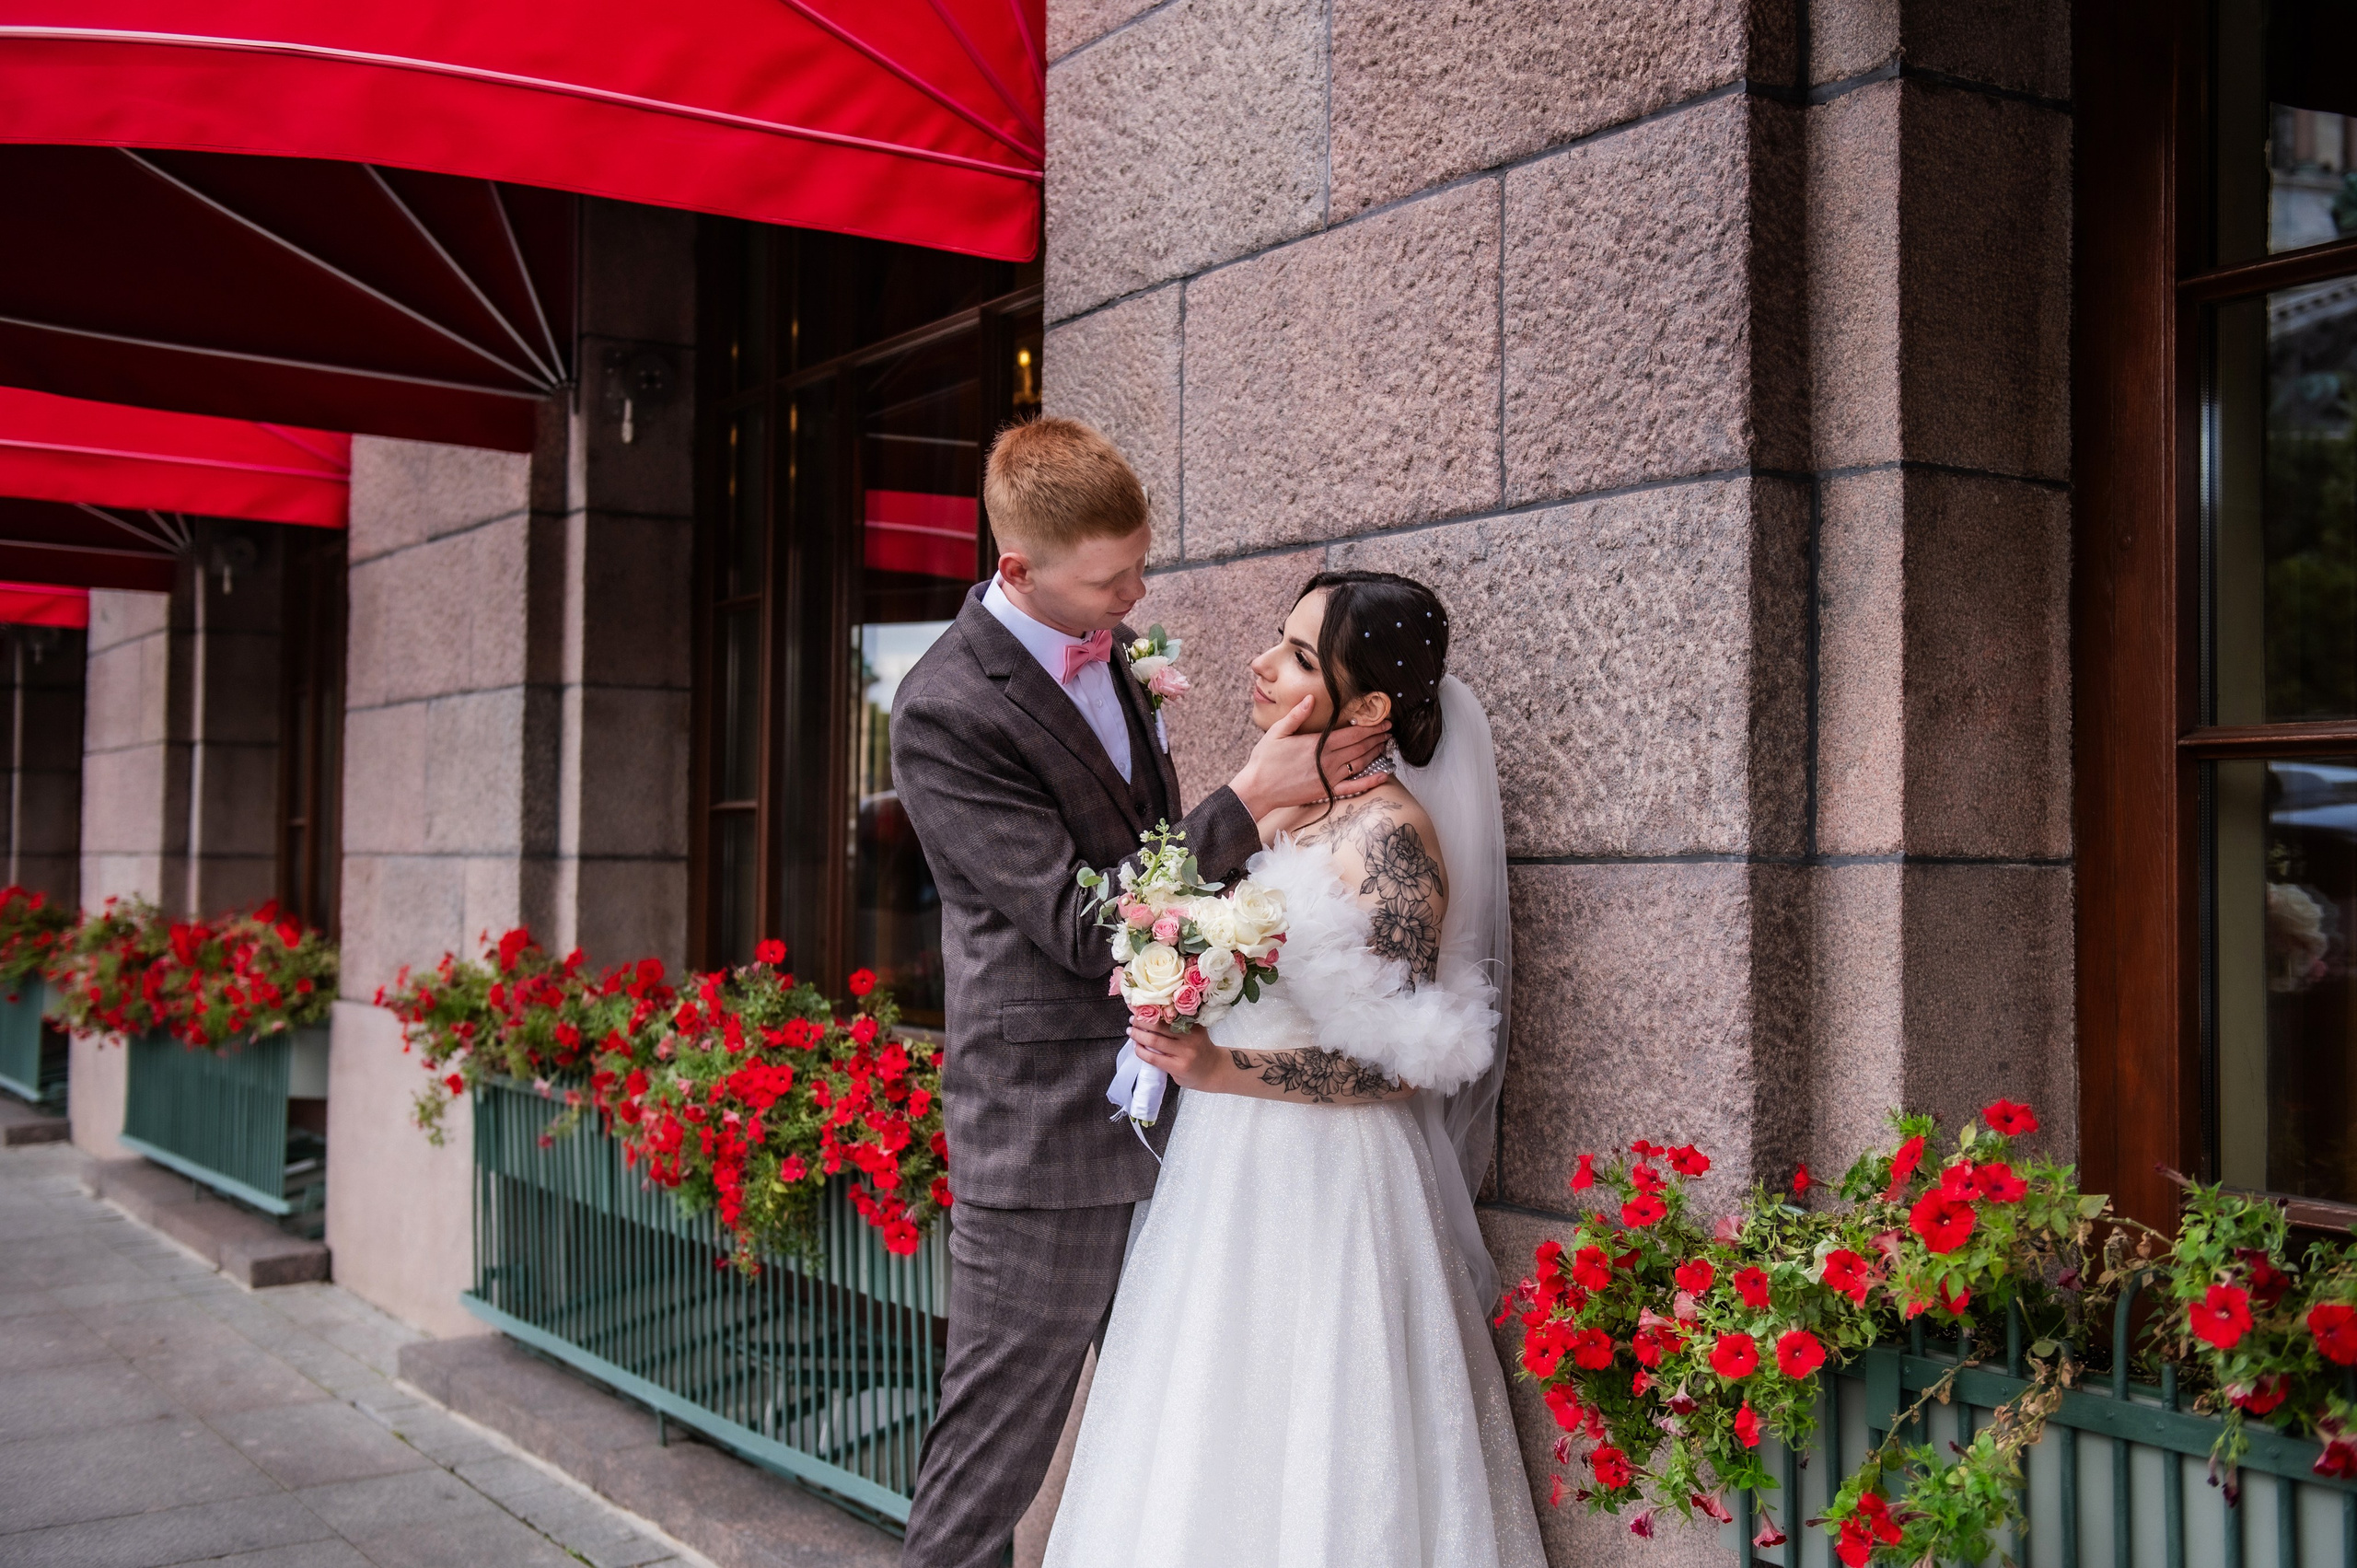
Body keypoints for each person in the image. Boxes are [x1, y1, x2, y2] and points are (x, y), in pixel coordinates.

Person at [888, 421, 1394, 1568]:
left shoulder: (1105, 643)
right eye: (1108, 579)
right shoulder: (942, 708)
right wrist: (1248, 796)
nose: (1133, 595)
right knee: (991, 1465)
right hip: (1046, 1130)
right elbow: (1079, 924)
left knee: (1174, 1439)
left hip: (1185, 1115)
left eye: (1139, 566)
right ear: (1016, 570)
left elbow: (1143, 846)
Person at [1042, 570, 1543, 1568]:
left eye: (1300, 658)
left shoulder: (1392, 838)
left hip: (1336, 1185)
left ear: (1366, 708)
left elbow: (1401, 1066)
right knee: (1205, 1422)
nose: (1262, 665)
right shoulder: (1285, 812)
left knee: (1325, 1423)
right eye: (1279, 641)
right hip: (1226, 1174)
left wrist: (1223, 1067)